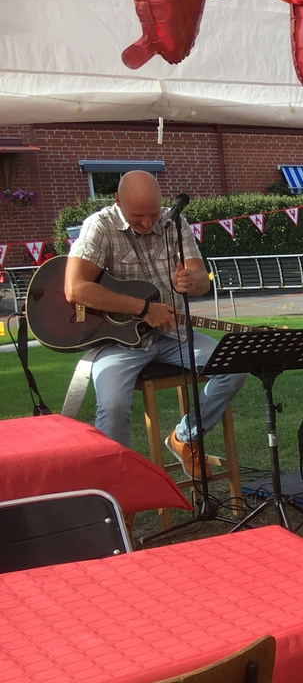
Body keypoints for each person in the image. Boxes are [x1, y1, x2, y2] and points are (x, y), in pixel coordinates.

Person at [65, 171, 246, 477]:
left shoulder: (174, 221)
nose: (148, 223)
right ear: (117, 200)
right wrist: (144, 309)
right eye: (138, 216)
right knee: (112, 406)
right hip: (119, 343)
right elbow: (75, 289)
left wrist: (192, 281)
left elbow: (202, 281)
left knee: (234, 367)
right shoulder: (100, 225)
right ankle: (116, 484)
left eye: (152, 213)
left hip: (173, 333)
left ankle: (185, 438)